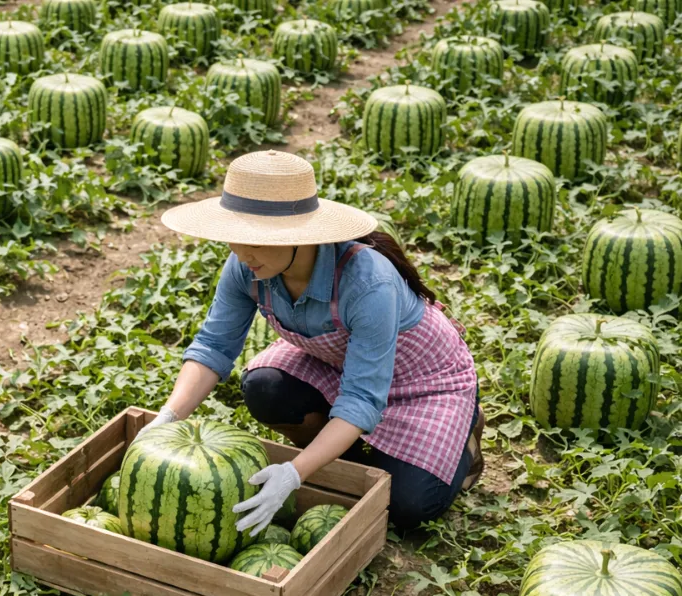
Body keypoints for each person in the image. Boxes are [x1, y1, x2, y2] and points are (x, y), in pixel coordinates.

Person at [151, 150, 484, 534]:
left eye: (254, 240)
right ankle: (346, 451)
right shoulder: (248, 266)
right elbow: (214, 347)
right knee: (265, 389)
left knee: (410, 508)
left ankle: (465, 437)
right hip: (340, 366)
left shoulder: (368, 282)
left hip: (425, 385)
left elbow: (362, 398)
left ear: (299, 235)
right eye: (234, 238)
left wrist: (295, 473)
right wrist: (167, 418)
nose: (241, 253)